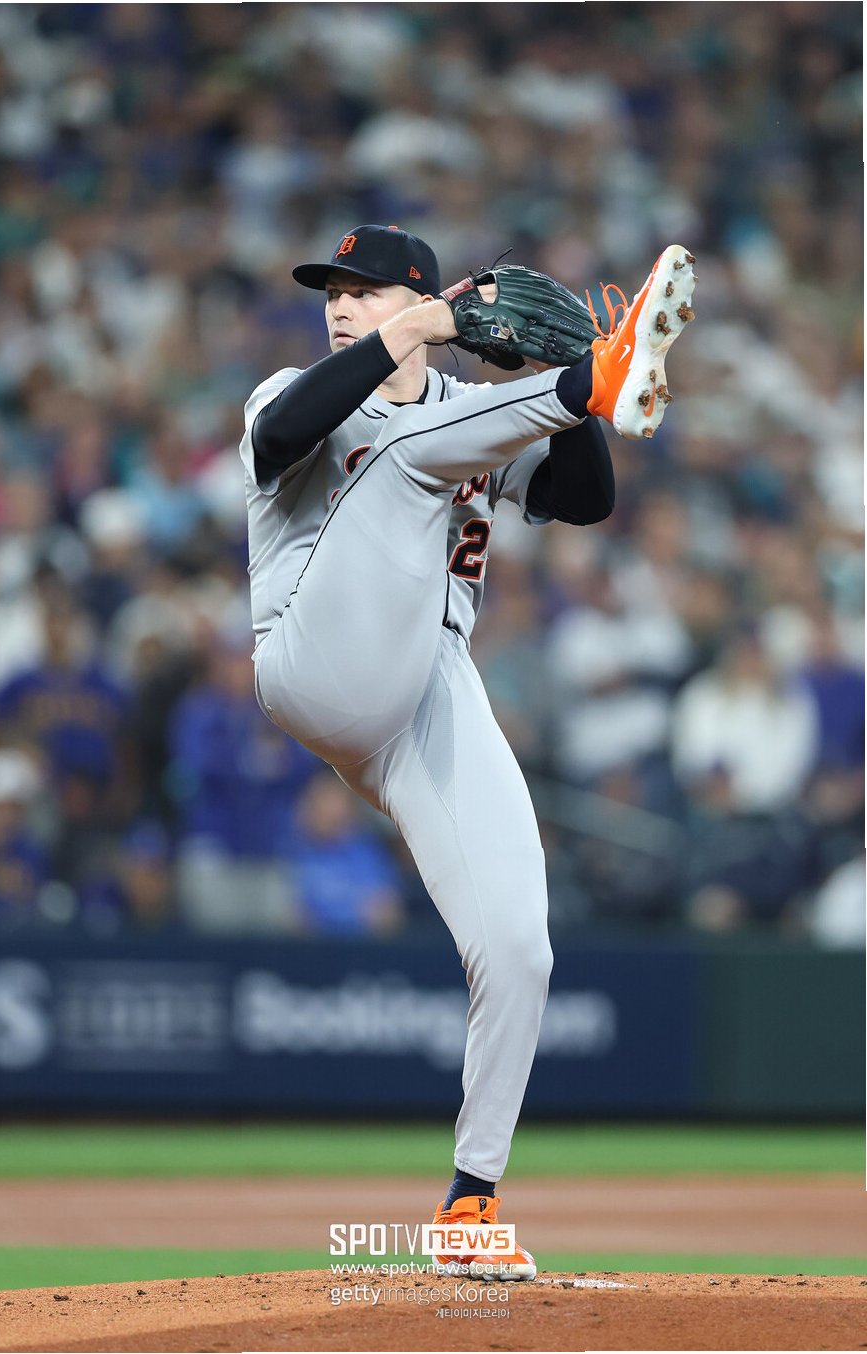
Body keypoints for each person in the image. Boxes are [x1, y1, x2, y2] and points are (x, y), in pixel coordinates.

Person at [239, 223, 695, 1280]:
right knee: (405, 460)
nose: (340, 305)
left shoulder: (470, 411)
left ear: (417, 297)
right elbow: (283, 438)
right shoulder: (290, 391)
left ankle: (469, 1203)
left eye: (364, 290)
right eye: (332, 292)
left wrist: (558, 375)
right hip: (312, 653)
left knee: (520, 942)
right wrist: (472, 341)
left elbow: (584, 499)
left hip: (428, 683)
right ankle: (600, 373)